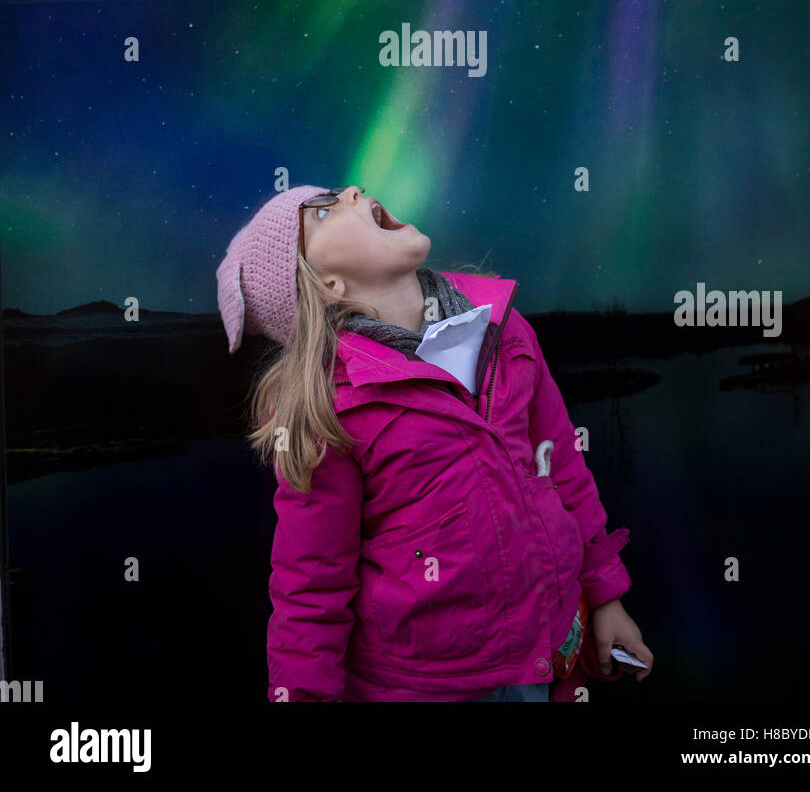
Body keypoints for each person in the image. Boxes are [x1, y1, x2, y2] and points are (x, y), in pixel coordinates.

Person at [216, 183, 654, 702]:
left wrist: (605, 597)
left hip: (546, 658)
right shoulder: (329, 408)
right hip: (426, 687)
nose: (354, 191)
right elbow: (312, 584)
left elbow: (563, 472)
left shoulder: (506, 331)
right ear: (328, 283)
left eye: (340, 191)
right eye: (324, 211)